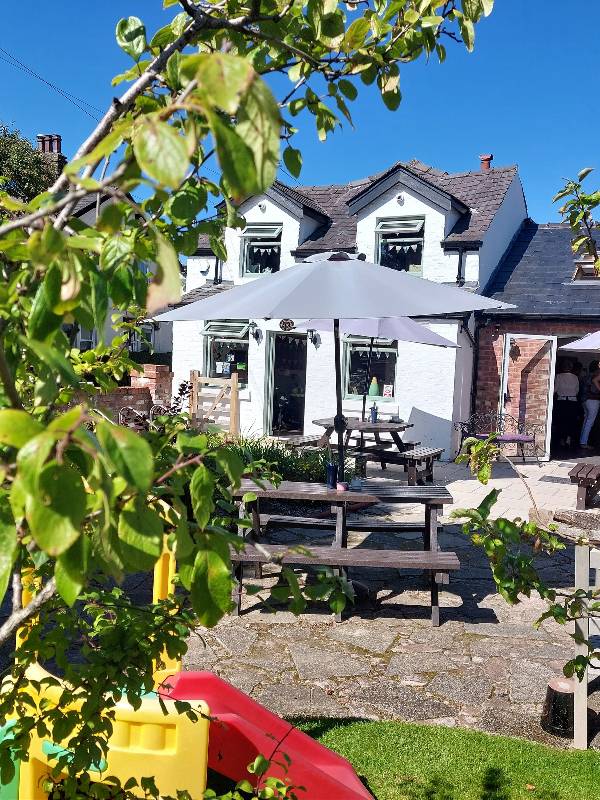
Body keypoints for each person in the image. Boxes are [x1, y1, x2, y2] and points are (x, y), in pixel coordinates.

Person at [553, 360, 580, 448]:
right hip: (572, 401)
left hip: (562, 401)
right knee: (571, 421)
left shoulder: (559, 376)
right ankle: (568, 438)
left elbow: (555, 389)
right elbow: (577, 391)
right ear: (571, 368)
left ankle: (561, 439)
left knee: (561, 421)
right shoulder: (575, 377)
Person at [580, 360, 600, 450]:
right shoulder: (596, 375)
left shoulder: (586, 376)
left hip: (584, 400)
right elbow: (595, 381)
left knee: (586, 421)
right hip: (593, 399)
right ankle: (584, 443)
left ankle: (582, 441)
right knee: (590, 422)